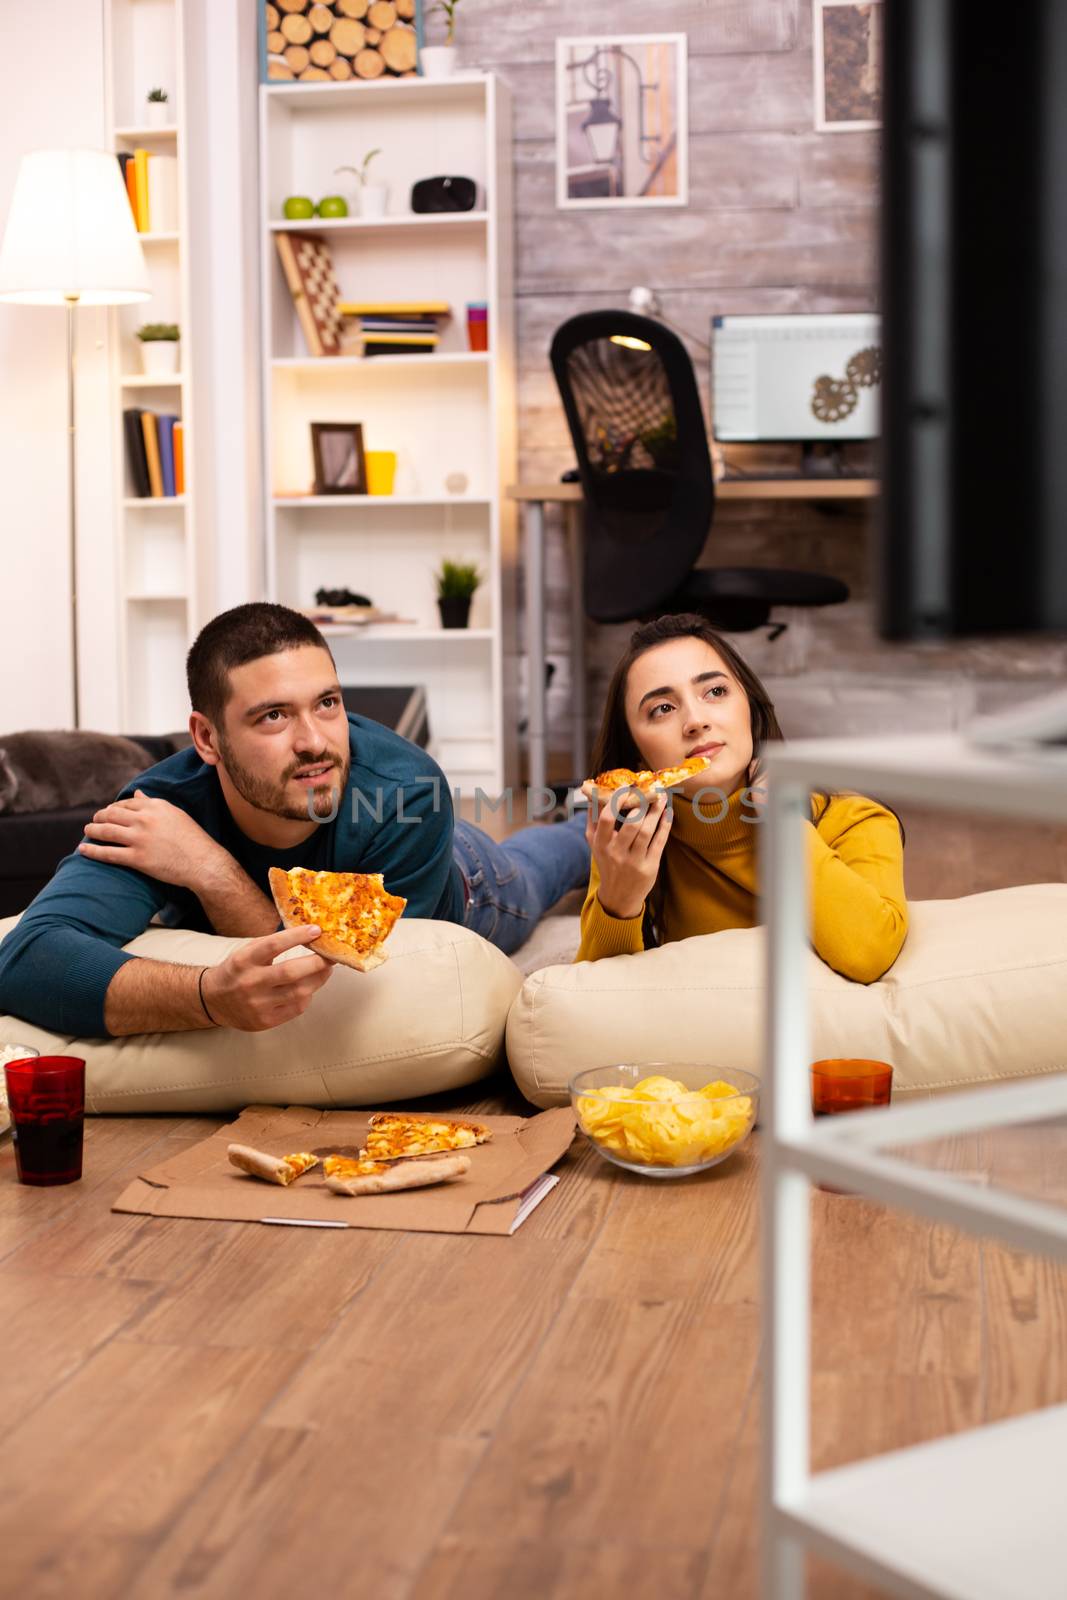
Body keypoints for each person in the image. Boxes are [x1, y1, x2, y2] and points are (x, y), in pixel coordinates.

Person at [0, 603, 588, 1038]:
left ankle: (587, 819)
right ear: (207, 737)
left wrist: (209, 869)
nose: (315, 742)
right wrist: (207, 996)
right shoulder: (161, 811)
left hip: (463, 877)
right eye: (274, 716)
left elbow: (374, 997)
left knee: (548, 863)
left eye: (327, 703)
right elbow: (26, 961)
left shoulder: (411, 793)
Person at [577, 613, 908, 981]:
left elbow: (870, 953)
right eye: (663, 709)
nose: (696, 720)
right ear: (638, 756)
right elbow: (590, 999)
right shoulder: (625, 843)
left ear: (748, 708)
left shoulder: (857, 818)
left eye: (715, 692)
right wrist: (619, 901)